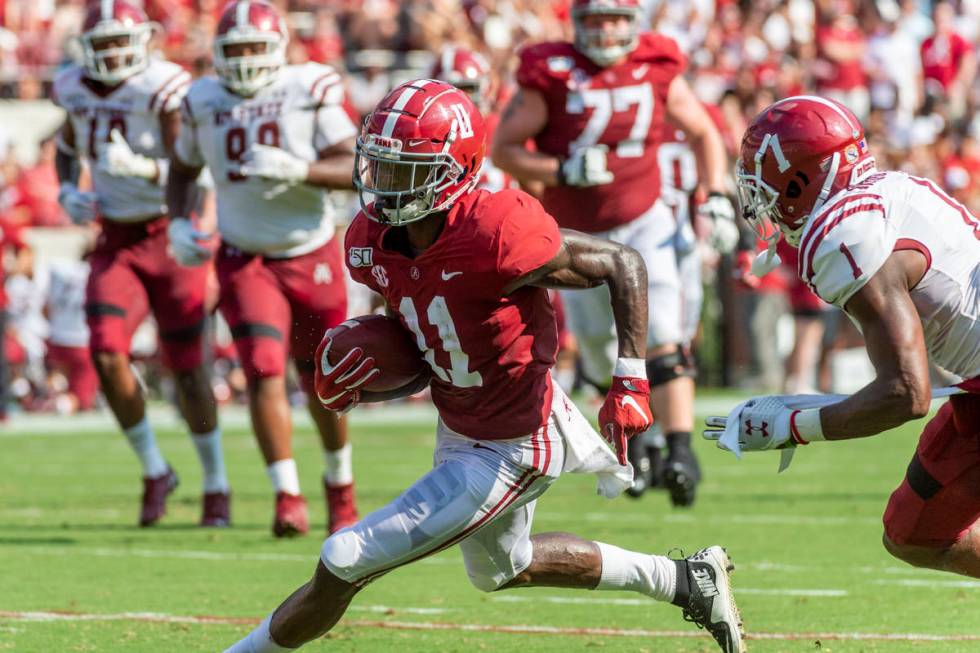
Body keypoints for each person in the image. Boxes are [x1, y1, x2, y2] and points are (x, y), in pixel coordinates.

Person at [222, 79, 745, 653]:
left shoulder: (496, 231)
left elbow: (623, 263)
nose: (386, 185)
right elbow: (428, 347)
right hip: (460, 424)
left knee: (345, 557)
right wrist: (366, 383)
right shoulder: (371, 240)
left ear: (456, 169)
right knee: (503, 567)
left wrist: (631, 377)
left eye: (406, 171)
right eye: (382, 167)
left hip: (517, 440)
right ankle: (684, 581)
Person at [706, 95, 980, 579]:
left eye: (763, 185)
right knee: (913, 530)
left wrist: (796, 427)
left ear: (798, 180)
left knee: (918, 532)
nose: (760, 202)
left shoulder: (843, 235)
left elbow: (906, 393)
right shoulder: (887, 191)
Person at [492, 0, 737, 506]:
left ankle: (681, 449)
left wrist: (713, 195)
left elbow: (702, 130)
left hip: (645, 218)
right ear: (578, 24)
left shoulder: (656, 62)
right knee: (605, 349)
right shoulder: (553, 71)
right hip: (575, 231)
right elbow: (504, 148)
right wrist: (563, 170)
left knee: (663, 332)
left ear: (633, 23)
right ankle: (638, 442)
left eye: (616, 19)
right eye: (596, 20)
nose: (606, 32)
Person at [167, 0, 359, 537]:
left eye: (256, 48)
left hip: (310, 249)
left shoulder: (306, 87)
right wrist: (180, 221)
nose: (247, 59)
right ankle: (286, 494)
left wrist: (303, 170)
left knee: (324, 378)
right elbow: (183, 169)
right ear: (219, 56)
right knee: (263, 369)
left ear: (277, 50)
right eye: (236, 50)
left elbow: (357, 166)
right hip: (245, 256)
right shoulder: (202, 98)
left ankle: (339, 485)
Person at [53, 0, 228, 527]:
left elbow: (192, 171)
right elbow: (66, 143)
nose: (108, 53)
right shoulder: (74, 86)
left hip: (168, 233)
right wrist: (66, 189)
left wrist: (145, 170)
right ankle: (155, 468)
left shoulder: (165, 86)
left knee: (190, 371)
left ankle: (216, 482)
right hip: (117, 238)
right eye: (100, 43)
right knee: (106, 354)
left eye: (116, 41)